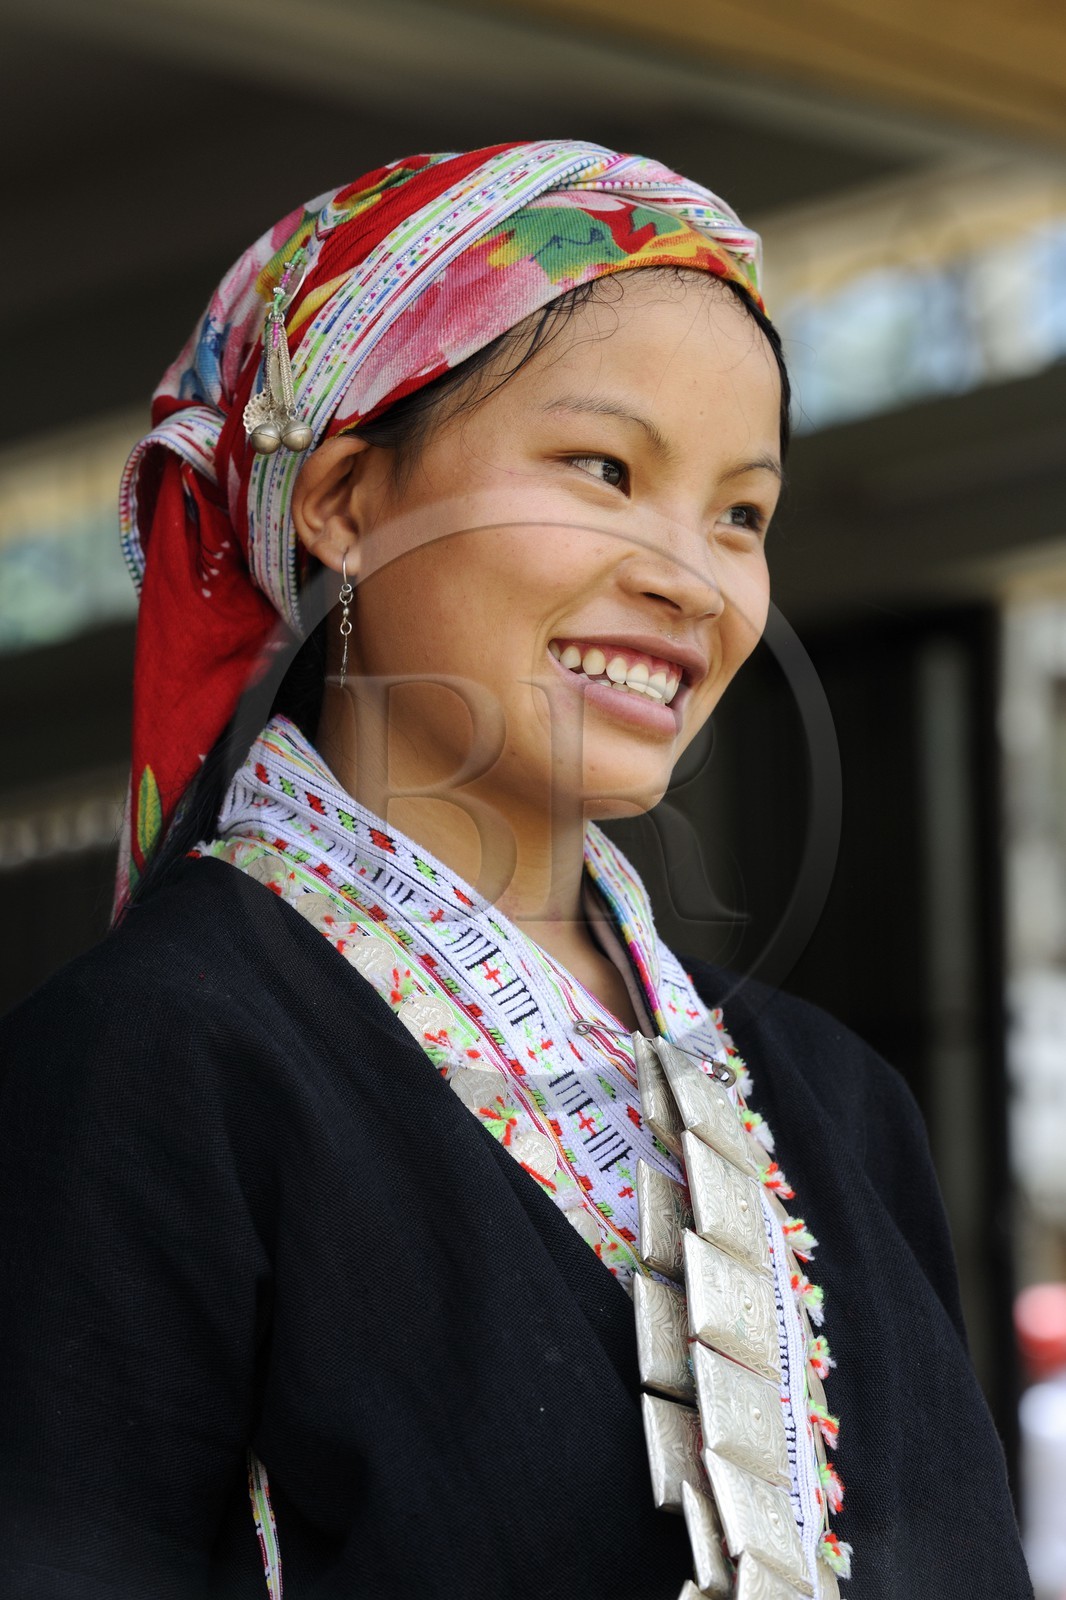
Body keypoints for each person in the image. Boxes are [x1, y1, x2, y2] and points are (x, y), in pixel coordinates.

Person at [0, 141, 1031, 1600]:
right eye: (604, 469)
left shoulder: (835, 1101)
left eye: (741, 514)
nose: (691, 577)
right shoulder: (145, 1064)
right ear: (345, 500)